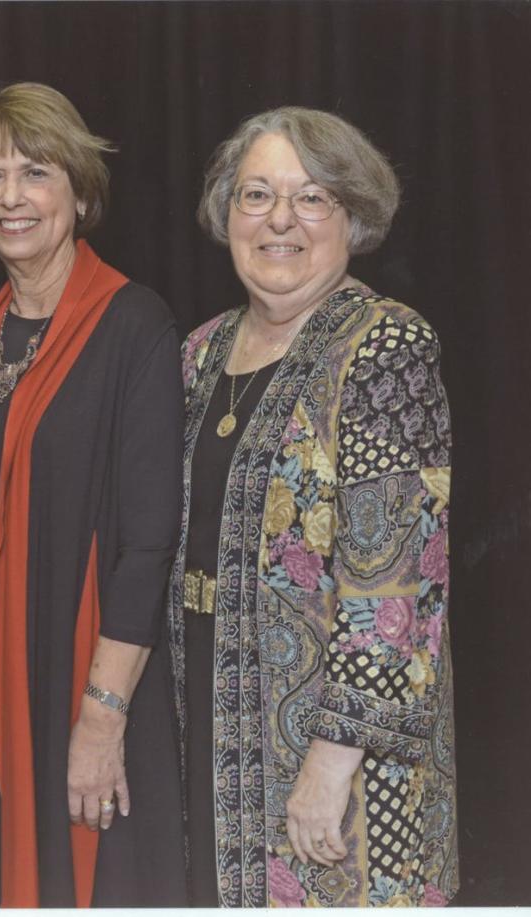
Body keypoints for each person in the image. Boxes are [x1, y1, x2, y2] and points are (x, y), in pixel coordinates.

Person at [176, 106, 458, 907]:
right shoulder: (198, 354)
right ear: (225, 213)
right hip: (218, 735)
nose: (280, 222)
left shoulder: (383, 346)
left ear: (354, 217)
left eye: (311, 199)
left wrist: (331, 764)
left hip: (343, 768)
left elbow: (399, 586)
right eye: (257, 195)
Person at [0, 81, 187, 907]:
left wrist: (101, 721)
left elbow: (149, 542)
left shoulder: (134, 322)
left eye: (34, 173)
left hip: (87, 693)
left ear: (78, 189)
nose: (10, 197)